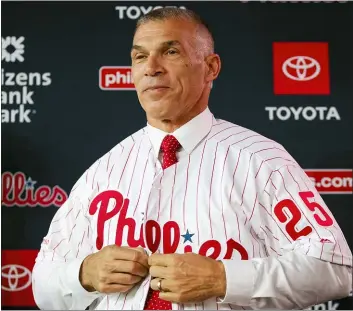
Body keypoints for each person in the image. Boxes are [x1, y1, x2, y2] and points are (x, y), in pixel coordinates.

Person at [32, 7, 352, 310]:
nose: (151, 67)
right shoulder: (101, 173)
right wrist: (84, 273)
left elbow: (334, 269)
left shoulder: (262, 161)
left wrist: (223, 278)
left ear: (210, 67)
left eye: (171, 52)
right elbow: (42, 285)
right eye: (140, 56)